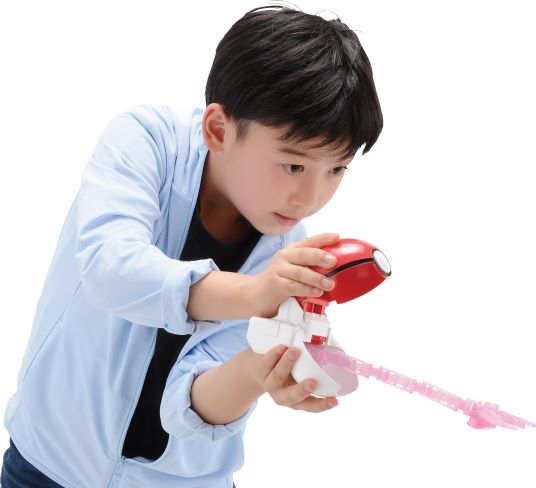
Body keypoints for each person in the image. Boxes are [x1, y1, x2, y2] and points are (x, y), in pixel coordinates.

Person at [1, 4, 383, 487]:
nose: (311, 197)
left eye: (337, 169)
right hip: (48, 466)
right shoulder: (146, 142)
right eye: (293, 166)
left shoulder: (285, 254)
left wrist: (258, 369)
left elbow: (190, 406)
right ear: (218, 129)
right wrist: (253, 294)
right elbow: (111, 268)